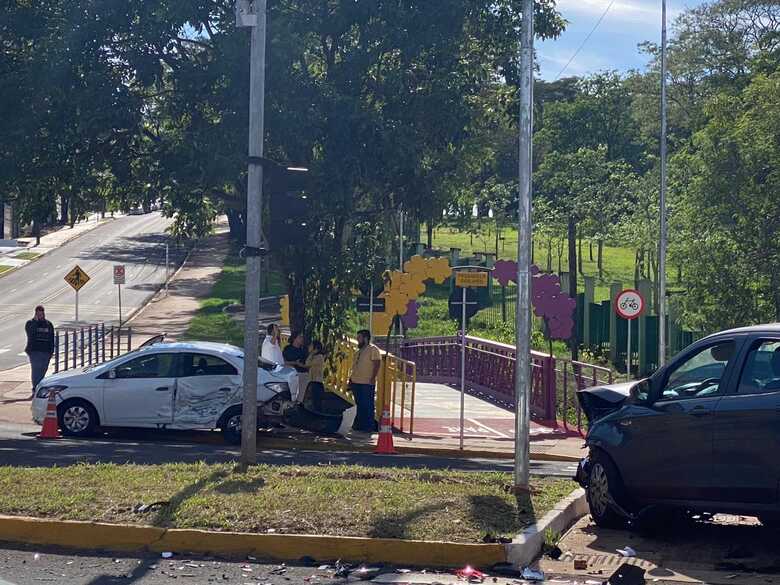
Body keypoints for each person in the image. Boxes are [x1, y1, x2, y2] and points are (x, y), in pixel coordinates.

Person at [349, 329, 381, 432]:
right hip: (356, 382)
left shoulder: (373, 349)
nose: (357, 340)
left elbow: (377, 363)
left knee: (367, 405)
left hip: (366, 382)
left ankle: (368, 427)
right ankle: (359, 426)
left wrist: (372, 378)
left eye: (359, 338)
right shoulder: (359, 351)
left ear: (366, 338)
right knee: (359, 405)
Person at [25, 305, 55, 394]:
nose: (40, 315)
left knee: (43, 370)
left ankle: (39, 386)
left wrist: (51, 351)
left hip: (46, 352)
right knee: (36, 370)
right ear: (35, 314)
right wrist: (35, 322)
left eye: (42, 313)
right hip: (35, 351)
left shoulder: (48, 324)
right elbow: (30, 333)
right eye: (38, 314)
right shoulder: (30, 323)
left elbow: (51, 338)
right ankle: (36, 388)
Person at [283, 331, 309, 402]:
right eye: (300, 337)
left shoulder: (303, 350)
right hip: (292, 375)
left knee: (300, 397)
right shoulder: (288, 349)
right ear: (294, 339)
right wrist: (295, 363)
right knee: (291, 395)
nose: (302, 339)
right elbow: (283, 362)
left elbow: (307, 364)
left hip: (303, 375)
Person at [304, 340, 326, 412]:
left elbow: (307, 364)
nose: (309, 347)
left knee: (317, 403)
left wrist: (311, 354)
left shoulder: (319, 357)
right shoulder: (315, 356)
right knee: (314, 402)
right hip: (313, 381)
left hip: (317, 382)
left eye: (311, 345)